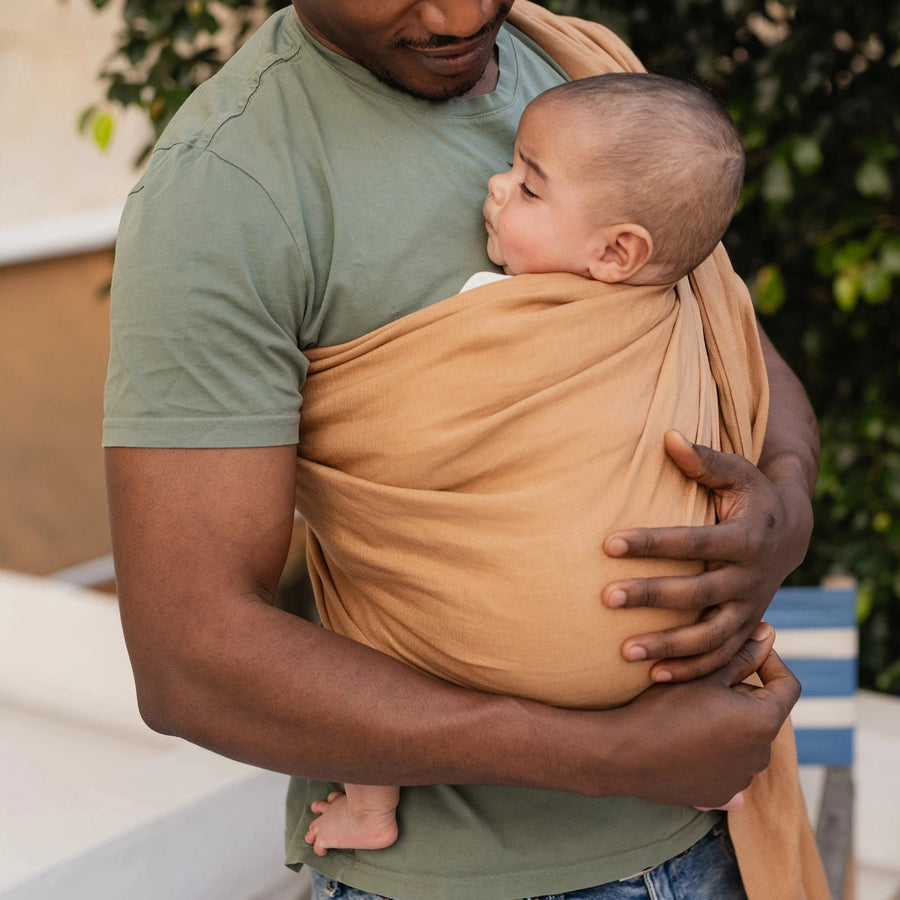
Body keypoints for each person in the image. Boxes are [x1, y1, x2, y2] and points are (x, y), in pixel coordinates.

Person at [103, 2, 823, 898]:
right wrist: (605, 755)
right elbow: (190, 662)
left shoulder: (581, 71)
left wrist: (788, 501)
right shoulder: (227, 191)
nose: (460, 14)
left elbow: (724, 324)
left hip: (717, 837)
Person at [302, 71, 752, 858]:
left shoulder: (491, 307)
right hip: (665, 656)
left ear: (616, 250)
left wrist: (330, 441)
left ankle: (371, 802)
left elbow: (394, 438)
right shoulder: (684, 314)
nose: (496, 185)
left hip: (485, 651)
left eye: (529, 189)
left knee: (358, 578)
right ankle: (720, 763)